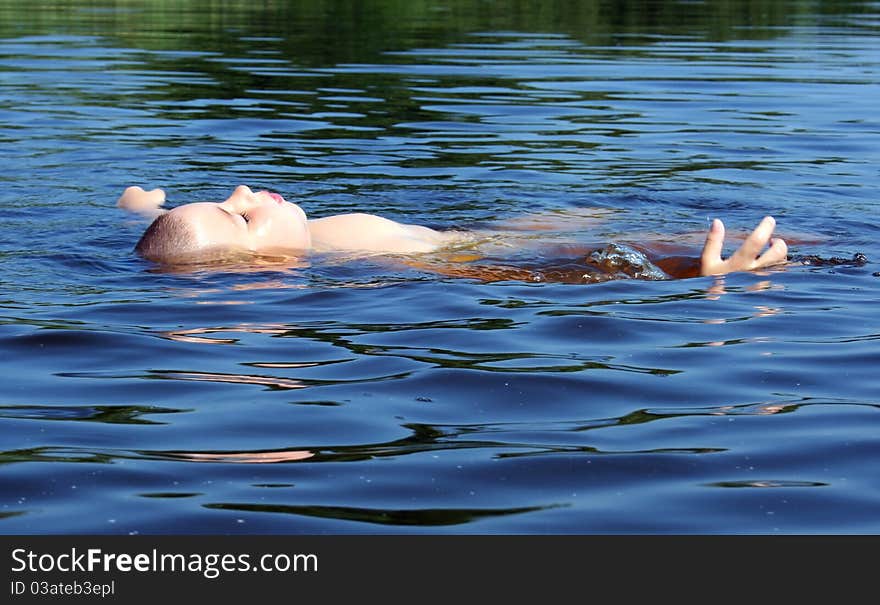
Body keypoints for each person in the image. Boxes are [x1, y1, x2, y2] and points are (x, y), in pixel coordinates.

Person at [118, 184, 788, 280]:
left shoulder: (298, 234)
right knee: (808, 249)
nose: (243, 190)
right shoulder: (366, 263)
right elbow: (542, 279)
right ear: (266, 263)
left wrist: (138, 203)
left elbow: (176, 243)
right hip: (497, 249)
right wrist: (692, 280)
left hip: (489, 230)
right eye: (239, 210)